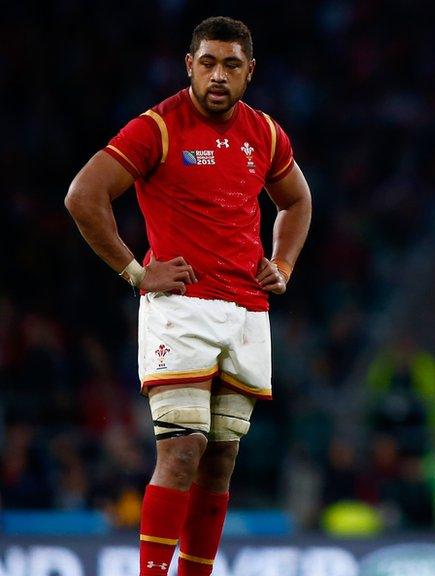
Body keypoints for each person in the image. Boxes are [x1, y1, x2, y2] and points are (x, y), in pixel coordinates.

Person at [65, 17, 312, 576]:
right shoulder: (159, 127)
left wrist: (285, 263)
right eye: (207, 63)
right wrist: (135, 271)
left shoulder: (266, 134)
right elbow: (84, 195)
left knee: (221, 458)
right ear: (189, 65)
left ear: (250, 71)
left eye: (230, 64)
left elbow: (296, 202)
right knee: (181, 449)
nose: (217, 76)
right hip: (182, 310)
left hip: (247, 311)